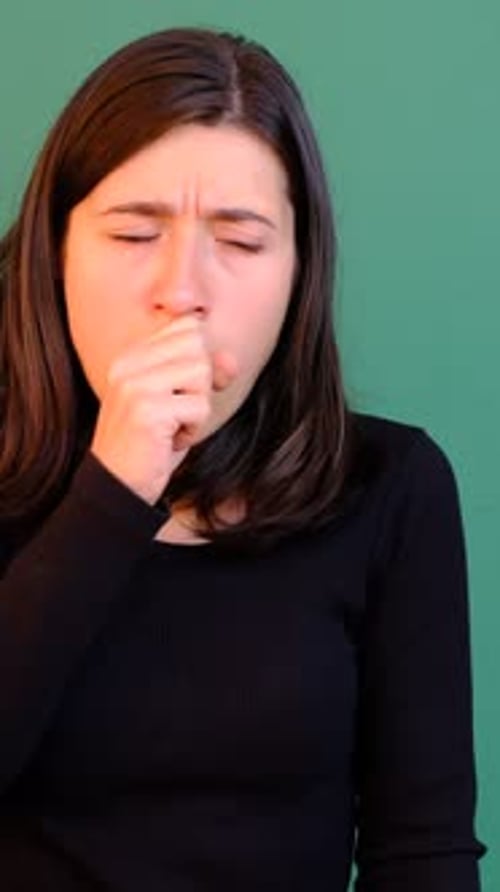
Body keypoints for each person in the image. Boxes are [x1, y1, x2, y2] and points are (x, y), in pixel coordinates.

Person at [0, 25, 486, 892]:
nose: (183, 290)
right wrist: (115, 489)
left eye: (242, 240)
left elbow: (423, 850)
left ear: (299, 273)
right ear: (54, 253)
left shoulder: (391, 489)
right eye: (131, 234)